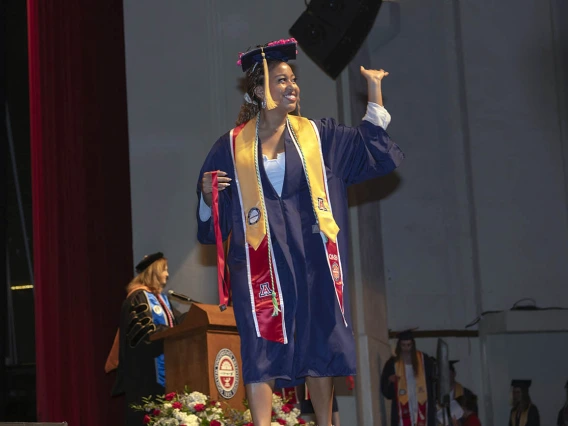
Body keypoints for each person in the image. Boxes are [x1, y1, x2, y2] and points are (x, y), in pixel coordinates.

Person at [196, 37, 404, 426]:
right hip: (258, 264)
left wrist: (374, 90)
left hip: (311, 259)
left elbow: (366, 148)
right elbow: (211, 218)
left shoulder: (316, 136)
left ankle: (324, 422)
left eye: (294, 80)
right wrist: (209, 198)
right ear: (259, 90)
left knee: (317, 341)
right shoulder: (230, 146)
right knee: (260, 345)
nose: (292, 86)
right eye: (281, 80)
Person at [112, 252, 182, 426]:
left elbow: (180, 324)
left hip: (167, 376)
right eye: (164, 269)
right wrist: (168, 333)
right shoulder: (138, 298)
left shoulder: (163, 300)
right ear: (154, 272)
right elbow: (142, 335)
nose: (167, 274)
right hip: (145, 377)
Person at [380, 330, 436, 426]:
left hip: (421, 403)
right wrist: (390, 380)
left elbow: (432, 382)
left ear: (413, 345)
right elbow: (386, 391)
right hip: (403, 406)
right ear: (399, 345)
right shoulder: (392, 363)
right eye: (403, 345)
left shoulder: (423, 360)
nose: (406, 348)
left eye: (409, 345)